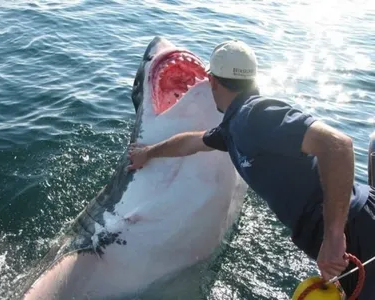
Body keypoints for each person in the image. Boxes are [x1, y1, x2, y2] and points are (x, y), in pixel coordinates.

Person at [126, 40, 375, 298]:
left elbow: (338, 145)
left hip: (357, 228)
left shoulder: (254, 114)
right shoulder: (235, 126)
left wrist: (333, 236)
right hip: (341, 231)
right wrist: (149, 153)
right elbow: (193, 141)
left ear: (212, 81)